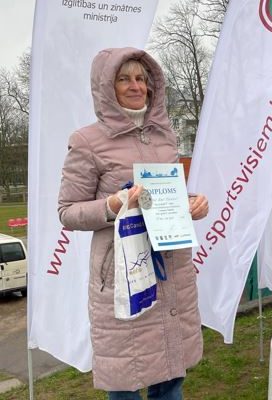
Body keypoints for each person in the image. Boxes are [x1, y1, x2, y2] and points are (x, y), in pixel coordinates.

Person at [58, 47, 208, 399]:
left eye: (141, 78)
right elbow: (67, 211)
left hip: (171, 267)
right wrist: (113, 205)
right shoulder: (87, 141)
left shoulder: (165, 136)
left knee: (170, 377)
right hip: (124, 273)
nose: (135, 86)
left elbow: (164, 194)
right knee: (125, 379)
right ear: (106, 86)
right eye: (124, 78)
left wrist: (191, 204)